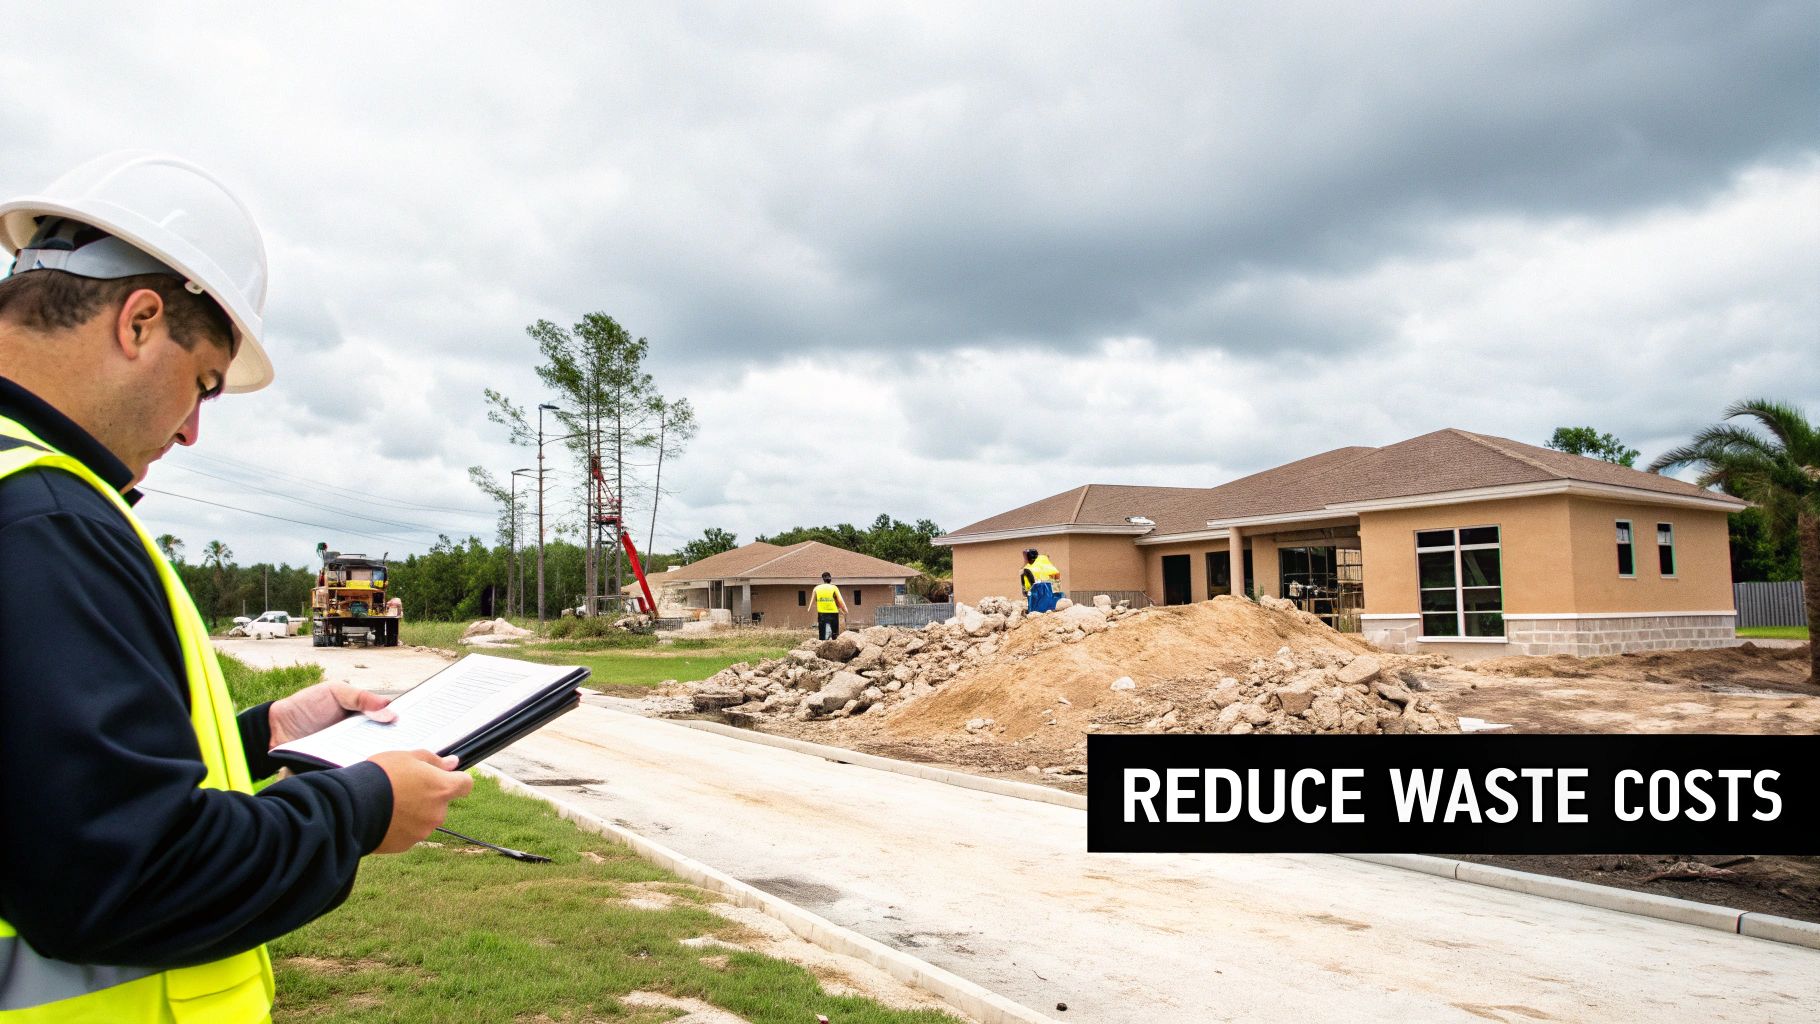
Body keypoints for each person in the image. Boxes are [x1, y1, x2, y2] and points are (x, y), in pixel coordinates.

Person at [0, 152, 472, 1021]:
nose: (188, 431)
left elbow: (48, 782)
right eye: (203, 385)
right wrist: (363, 806)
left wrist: (262, 736)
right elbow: (123, 876)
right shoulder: (43, 515)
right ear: (140, 322)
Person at [1020, 547, 1062, 612]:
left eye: (1025, 557)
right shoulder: (1044, 563)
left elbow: (1027, 588)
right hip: (1048, 596)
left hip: (1039, 595)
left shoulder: (1029, 568)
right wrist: (1056, 590)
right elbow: (1057, 575)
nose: (1024, 560)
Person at [811, 571, 848, 640]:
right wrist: (844, 610)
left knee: (822, 633)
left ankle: (822, 646)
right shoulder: (834, 588)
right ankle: (834, 646)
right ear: (830, 578)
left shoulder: (818, 588)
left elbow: (816, 600)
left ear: (823, 579)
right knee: (834, 633)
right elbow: (839, 600)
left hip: (822, 613)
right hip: (833, 612)